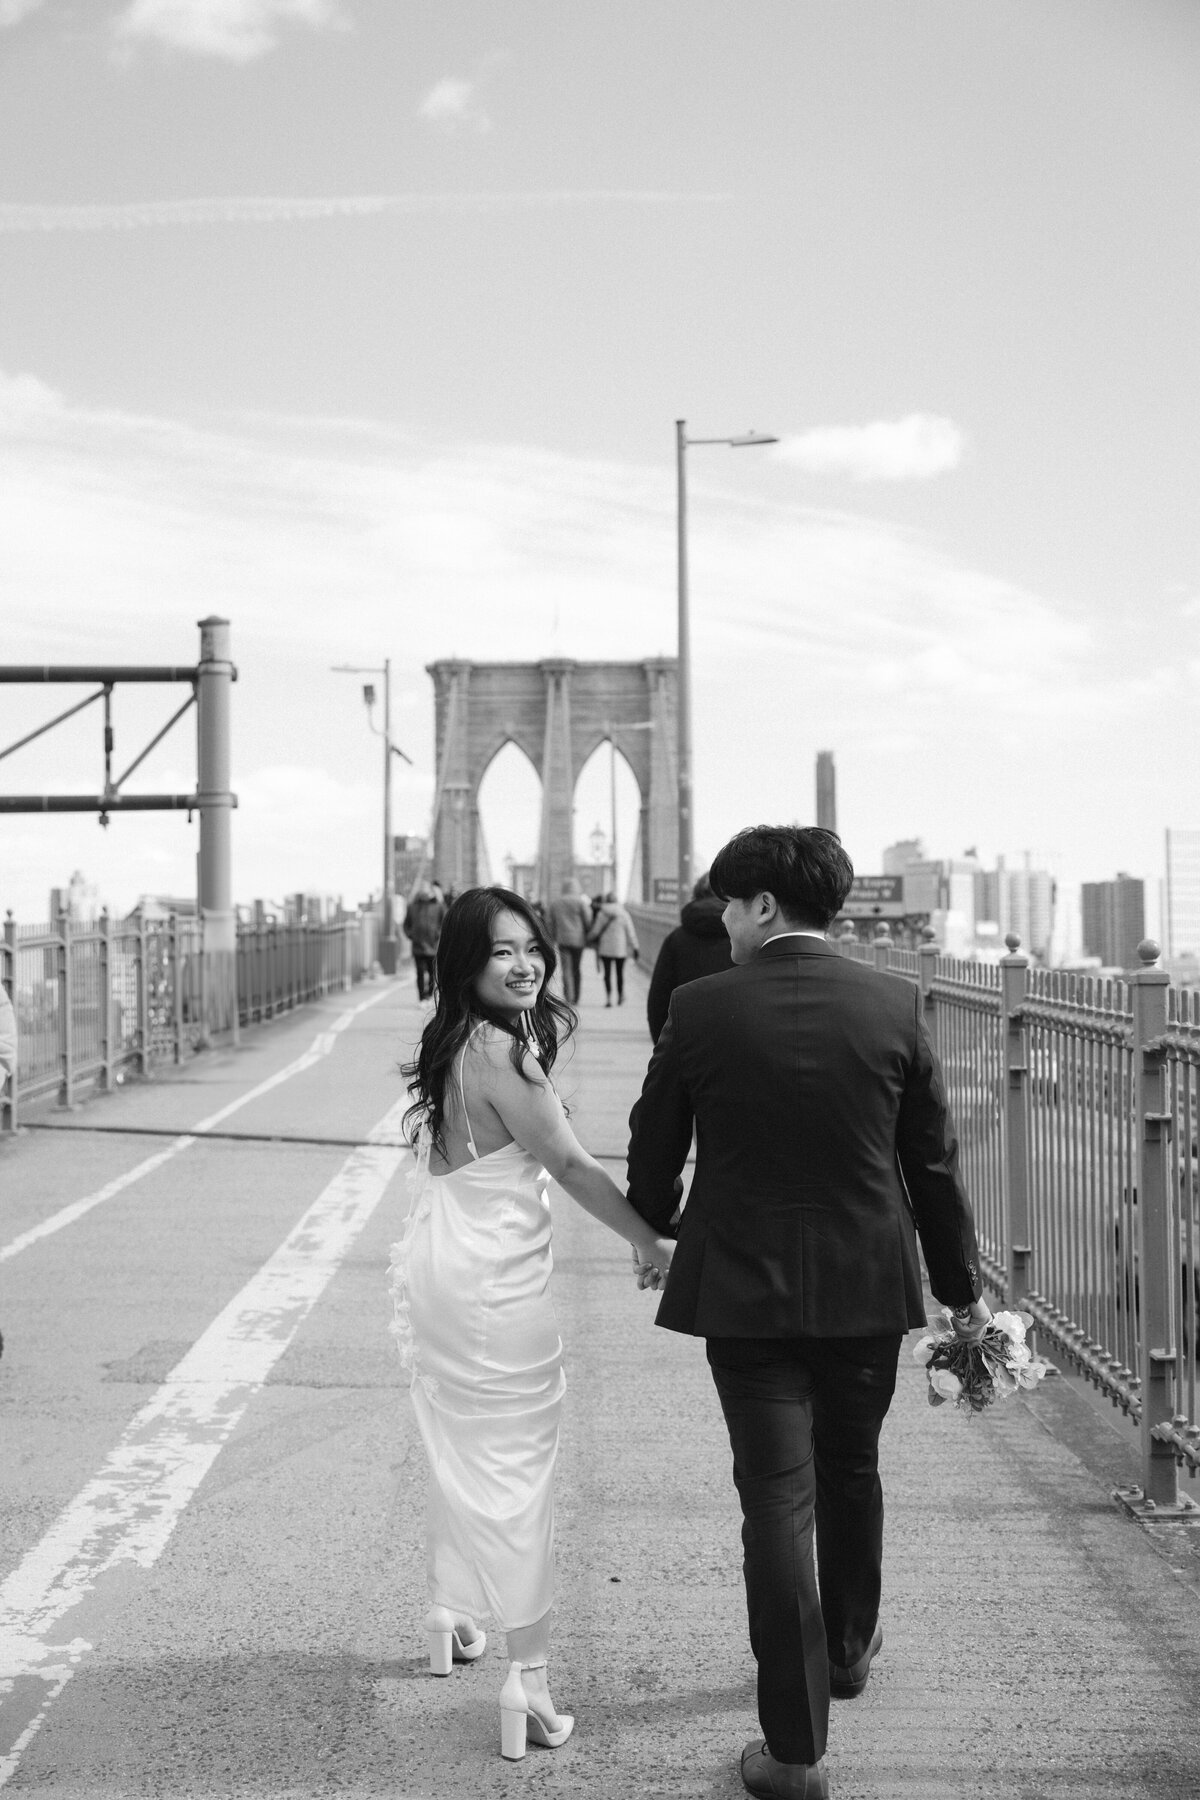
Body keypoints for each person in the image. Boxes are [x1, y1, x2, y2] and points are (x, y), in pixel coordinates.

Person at [624, 826, 990, 1800]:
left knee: (774, 1497)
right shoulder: (894, 1005)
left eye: (730, 906)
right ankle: (848, 1652)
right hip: (868, 1289)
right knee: (853, 1466)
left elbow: (653, 1148)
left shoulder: (700, 1010)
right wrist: (960, 1293)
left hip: (742, 1295)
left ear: (764, 908)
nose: (723, 924)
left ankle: (794, 1754)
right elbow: (935, 1166)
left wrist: (651, 1228)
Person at [389, 885, 674, 1763]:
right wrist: (651, 1242)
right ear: (467, 963)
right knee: (518, 1469)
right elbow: (573, 1166)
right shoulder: (507, 1055)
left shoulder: (452, 1041)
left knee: (462, 1438)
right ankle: (531, 1681)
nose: (525, 965)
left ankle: (450, 1612)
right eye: (503, 951)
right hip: (495, 1289)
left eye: (533, 949)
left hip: (442, 1269)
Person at [645, 870, 733, 1042]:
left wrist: (663, 1049)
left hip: (686, 1040)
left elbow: (658, 1001)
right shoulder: (748, 939)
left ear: (697, 894)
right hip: (736, 1037)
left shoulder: (676, 938)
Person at [586, 891, 639, 1007]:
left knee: (607, 974)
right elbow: (630, 932)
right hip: (620, 948)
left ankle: (609, 998)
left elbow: (596, 930)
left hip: (605, 948)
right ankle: (620, 996)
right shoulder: (624, 914)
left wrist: (588, 938)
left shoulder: (602, 913)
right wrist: (635, 946)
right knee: (620, 974)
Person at [547, 877, 592, 1005]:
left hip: (563, 940)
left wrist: (551, 937)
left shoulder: (556, 903)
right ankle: (576, 996)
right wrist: (588, 933)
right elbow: (588, 920)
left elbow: (549, 921)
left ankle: (568, 996)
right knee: (576, 968)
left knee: (566, 969)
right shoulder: (581, 902)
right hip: (579, 940)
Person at [403, 880, 446, 1002]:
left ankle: (429, 995)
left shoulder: (438, 906)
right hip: (418, 946)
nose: (424, 891)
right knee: (420, 973)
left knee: (433, 973)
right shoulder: (413, 906)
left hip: (433, 946)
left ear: (430, 891)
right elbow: (406, 924)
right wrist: (411, 935)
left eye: (426, 889)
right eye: (422, 889)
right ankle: (422, 997)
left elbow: (444, 922)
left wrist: (438, 935)